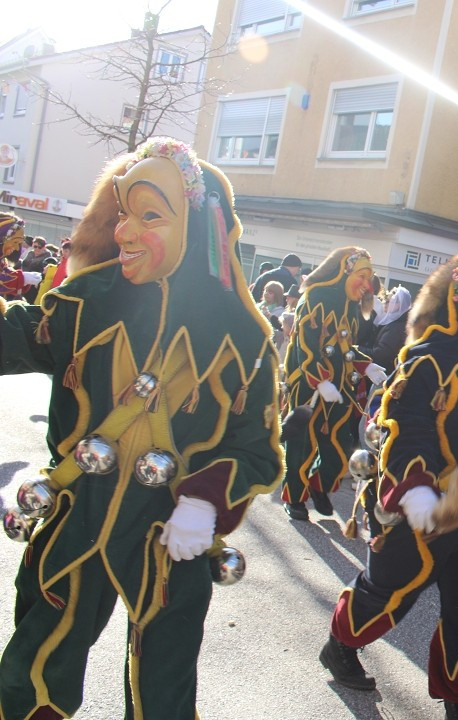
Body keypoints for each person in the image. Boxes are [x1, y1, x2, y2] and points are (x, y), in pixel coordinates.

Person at [0, 138, 283, 718]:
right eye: (123, 213)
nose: (124, 231)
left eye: (148, 216)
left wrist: (205, 502)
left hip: (167, 540)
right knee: (31, 675)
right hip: (76, 520)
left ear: (197, 224)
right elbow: (15, 336)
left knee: (164, 691)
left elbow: (258, 449)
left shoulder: (245, 339)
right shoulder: (85, 301)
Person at [321, 250, 458, 720]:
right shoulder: (428, 359)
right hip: (427, 511)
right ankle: (339, 645)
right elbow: (405, 425)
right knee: (387, 596)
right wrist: (416, 487)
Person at [280, 247, 380, 521]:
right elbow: (305, 345)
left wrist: (366, 365)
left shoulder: (349, 307)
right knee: (300, 445)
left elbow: (345, 346)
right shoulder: (315, 298)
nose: (367, 285)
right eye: (362, 275)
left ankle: (319, 486)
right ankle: (294, 497)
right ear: (343, 271)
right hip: (309, 386)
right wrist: (319, 380)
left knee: (339, 446)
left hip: (338, 388)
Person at [361, 284, 411, 369]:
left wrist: (358, 349)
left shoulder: (395, 328)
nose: (385, 302)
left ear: (399, 305)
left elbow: (380, 354)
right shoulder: (395, 323)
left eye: (389, 301)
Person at [0, 214, 41, 301]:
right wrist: (22, 278)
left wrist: (23, 278)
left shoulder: (2, 260)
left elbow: (5, 272)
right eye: (15, 242)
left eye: (19, 243)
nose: (17, 248)